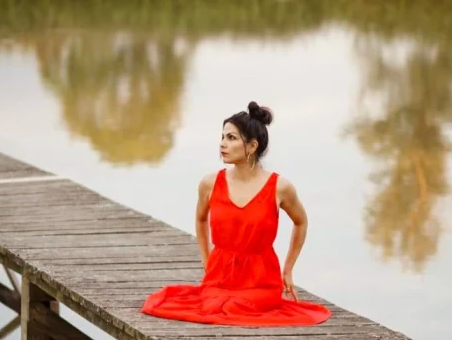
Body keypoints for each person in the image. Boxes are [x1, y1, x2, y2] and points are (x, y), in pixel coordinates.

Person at [141, 102, 331, 326]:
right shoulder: (210, 183)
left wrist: (288, 269)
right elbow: (201, 218)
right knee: (212, 306)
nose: (222, 144)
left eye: (231, 138)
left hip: (261, 281)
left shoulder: (280, 187)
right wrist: (207, 258)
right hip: (219, 277)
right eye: (222, 137)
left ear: (252, 146)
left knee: (235, 307)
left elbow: (301, 222)